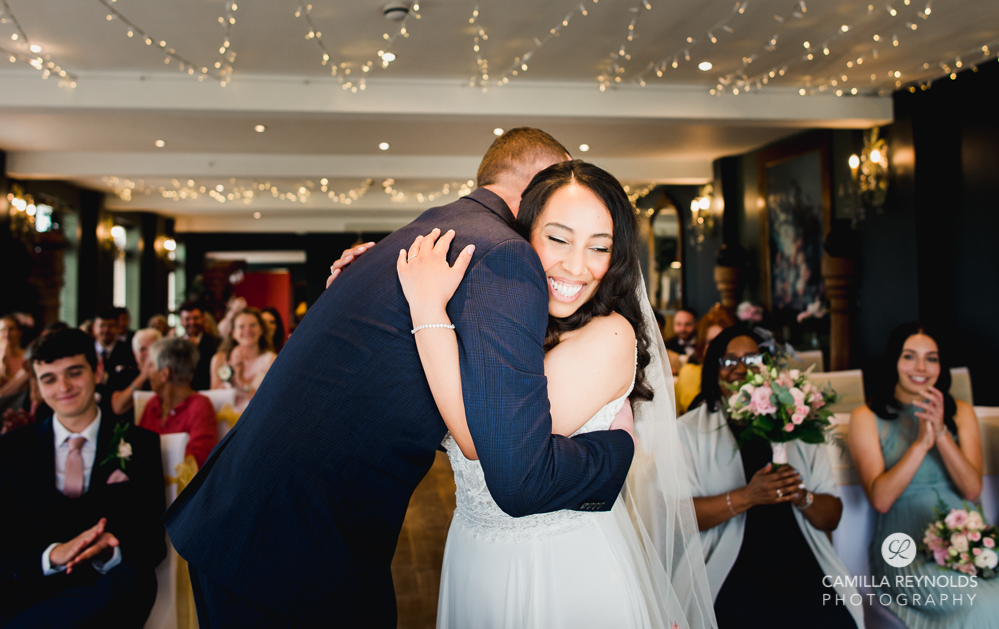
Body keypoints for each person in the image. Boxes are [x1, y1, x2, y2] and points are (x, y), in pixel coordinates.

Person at [164, 128, 638, 628]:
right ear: (539, 190)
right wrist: (617, 452)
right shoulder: (504, 254)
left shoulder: (422, 234)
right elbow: (508, 463)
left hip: (246, 518)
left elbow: (409, 388)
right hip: (297, 547)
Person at [389, 161, 715, 628]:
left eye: (598, 247)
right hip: (474, 549)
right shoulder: (507, 323)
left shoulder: (610, 335)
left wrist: (426, 307)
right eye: (558, 239)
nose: (577, 266)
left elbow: (481, 442)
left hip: (558, 564)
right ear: (522, 236)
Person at [677, 325, 862, 629]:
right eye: (728, 361)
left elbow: (832, 518)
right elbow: (678, 518)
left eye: (751, 360)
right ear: (713, 369)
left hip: (799, 555)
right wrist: (747, 496)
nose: (739, 369)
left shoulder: (796, 423)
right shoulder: (687, 432)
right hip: (733, 563)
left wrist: (802, 496)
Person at [0, 328, 166, 627]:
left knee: (133, 579)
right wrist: (52, 556)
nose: (63, 386)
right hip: (34, 588)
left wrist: (109, 551)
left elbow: (152, 543)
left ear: (97, 370)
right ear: (37, 385)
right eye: (49, 378)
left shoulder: (140, 444)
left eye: (74, 372)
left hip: (105, 588)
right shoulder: (10, 450)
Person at [849, 322, 997, 628]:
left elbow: (971, 490)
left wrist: (941, 433)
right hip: (904, 547)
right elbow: (881, 500)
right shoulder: (866, 417)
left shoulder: (962, 413)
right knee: (987, 605)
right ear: (893, 361)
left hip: (969, 542)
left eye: (931, 358)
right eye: (909, 356)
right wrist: (920, 444)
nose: (921, 367)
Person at [139, 338, 218, 469]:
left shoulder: (200, 406)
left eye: (151, 365)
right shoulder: (153, 404)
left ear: (165, 373)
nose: (147, 373)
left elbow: (199, 461)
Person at [209, 307, 276, 429]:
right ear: (233, 332)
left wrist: (241, 381)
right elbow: (215, 398)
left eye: (253, 325)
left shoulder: (272, 360)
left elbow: (270, 403)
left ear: (261, 329)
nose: (247, 330)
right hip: (224, 426)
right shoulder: (219, 359)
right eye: (241, 326)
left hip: (257, 426)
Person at [675, 304, 736, 414]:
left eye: (721, 341)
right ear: (703, 346)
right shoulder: (691, 373)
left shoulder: (737, 373)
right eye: (710, 342)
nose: (716, 347)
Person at [110, 328, 163, 417]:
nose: (148, 353)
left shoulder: (169, 375)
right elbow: (118, 407)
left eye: (152, 348)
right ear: (135, 354)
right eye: (142, 349)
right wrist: (143, 376)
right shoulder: (124, 374)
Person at [179, 301, 218, 391]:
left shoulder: (216, 343)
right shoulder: (176, 344)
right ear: (181, 320)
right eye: (187, 319)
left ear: (203, 318)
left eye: (196, 318)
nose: (192, 322)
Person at [0, 315, 28, 397]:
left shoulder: (26, 355)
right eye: (2, 330)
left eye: (11, 329)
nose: (7, 334)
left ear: (19, 332)